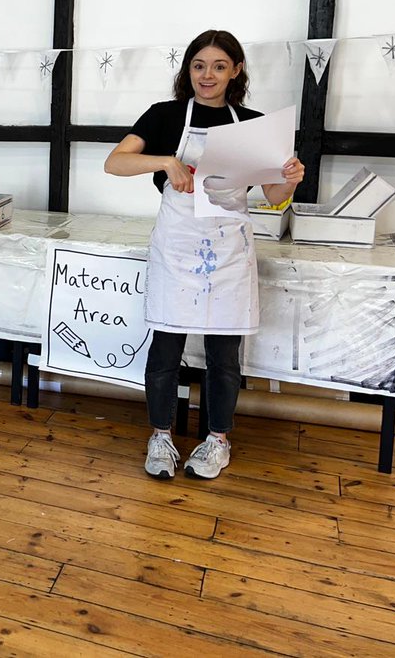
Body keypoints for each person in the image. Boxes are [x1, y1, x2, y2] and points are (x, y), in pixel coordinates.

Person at [104, 30, 304, 480]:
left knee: (224, 356)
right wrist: (164, 162)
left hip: (229, 249)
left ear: (235, 70)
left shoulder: (254, 124)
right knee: (165, 349)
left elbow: (273, 195)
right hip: (177, 245)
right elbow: (114, 162)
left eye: (217, 66)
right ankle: (160, 437)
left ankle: (217, 441)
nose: (207, 75)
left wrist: (290, 177)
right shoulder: (165, 115)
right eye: (198, 65)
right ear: (187, 70)